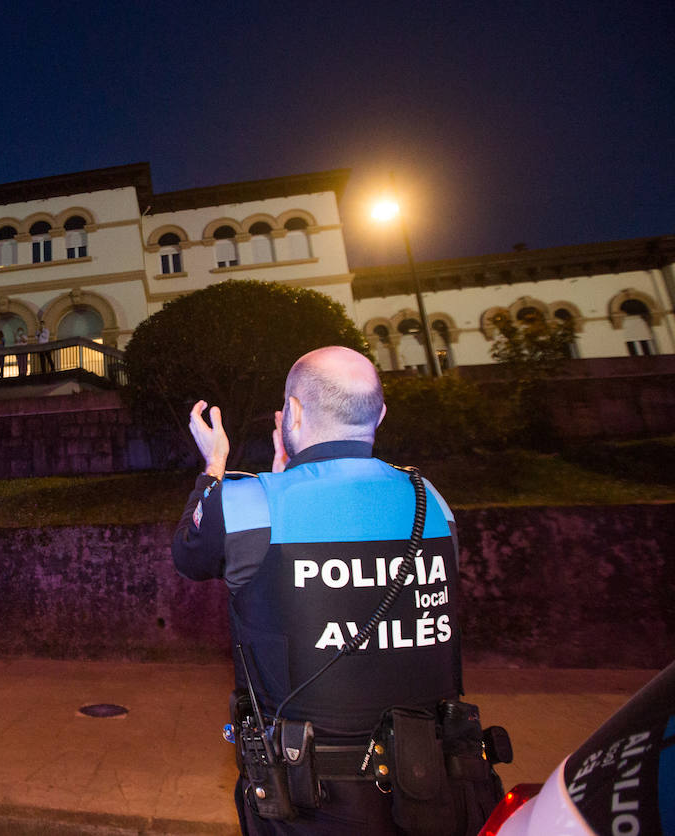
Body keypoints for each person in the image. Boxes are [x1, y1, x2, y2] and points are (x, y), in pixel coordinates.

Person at [173, 346, 465, 836]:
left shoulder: (250, 507)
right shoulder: (432, 501)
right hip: (435, 790)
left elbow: (189, 553)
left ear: (296, 412)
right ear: (381, 414)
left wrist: (215, 465)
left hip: (308, 803)